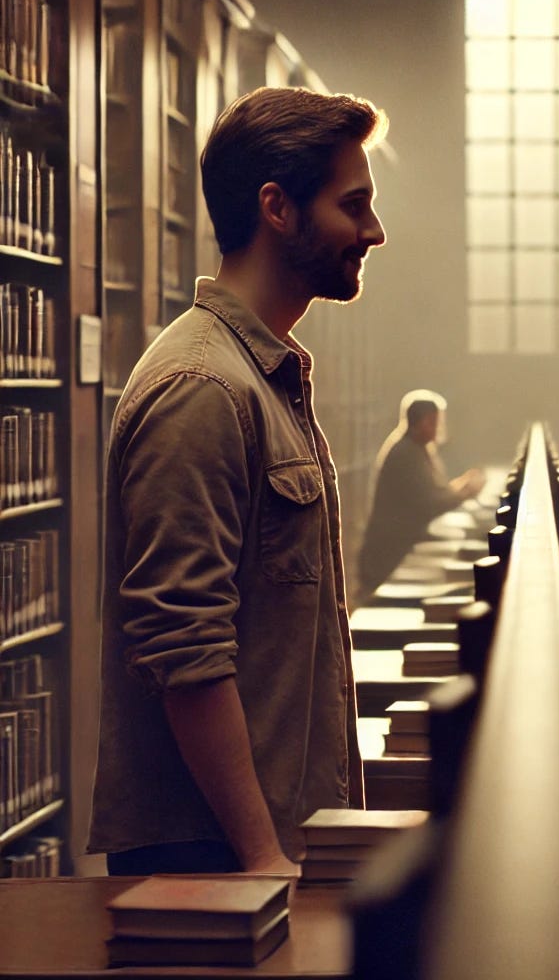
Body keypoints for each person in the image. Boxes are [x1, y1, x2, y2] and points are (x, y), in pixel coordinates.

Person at [87, 86, 388, 879]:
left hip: (263, 846)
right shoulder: (205, 389)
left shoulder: (257, 376)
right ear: (277, 208)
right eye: (353, 205)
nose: (373, 232)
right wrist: (262, 855)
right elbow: (183, 646)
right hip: (215, 860)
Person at [356, 390, 484, 602]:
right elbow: (429, 504)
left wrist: (462, 485)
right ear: (418, 422)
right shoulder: (406, 453)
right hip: (389, 553)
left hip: (397, 546)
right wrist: (466, 493)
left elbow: (436, 491)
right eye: (432, 422)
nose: (437, 428)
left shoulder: (418, 449)